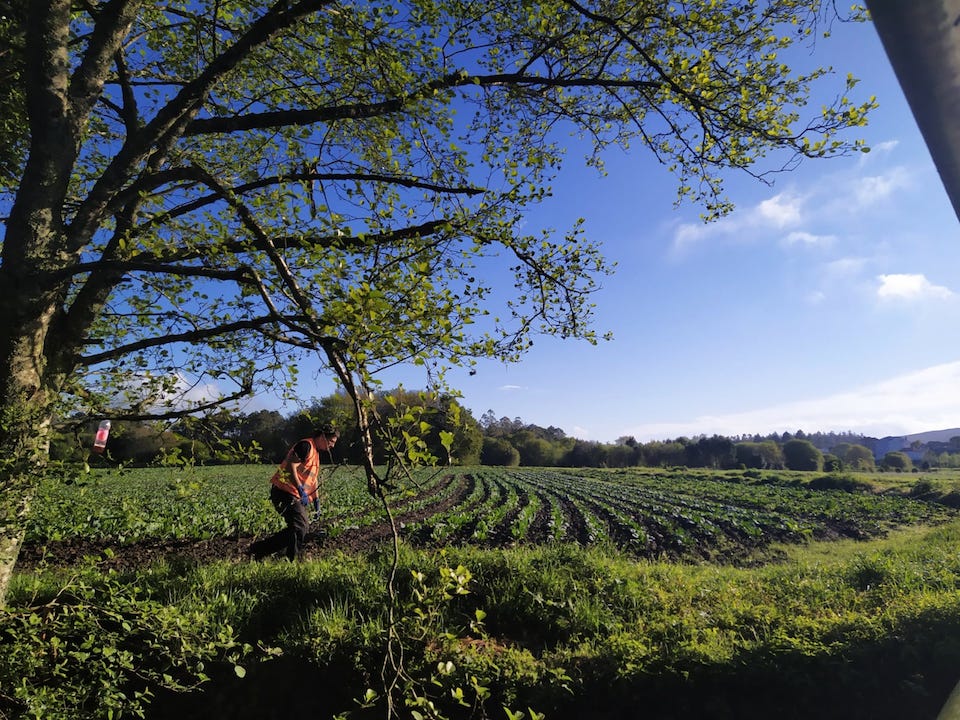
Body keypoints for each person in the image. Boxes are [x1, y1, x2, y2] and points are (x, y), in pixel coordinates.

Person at [248, 425, 339, 560]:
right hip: (284, 491)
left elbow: (312, 479)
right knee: (300, 527)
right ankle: (290, 559)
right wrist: (300, 489)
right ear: (322, 437)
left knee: (299, 528)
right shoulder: (305, 446)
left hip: (293, 493)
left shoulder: (315, 453)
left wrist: (316, 500)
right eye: (331, 441)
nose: (332, 446)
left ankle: (258, 550)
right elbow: (291, 467)